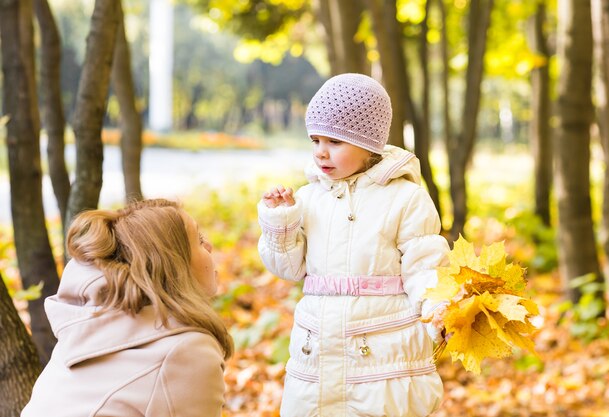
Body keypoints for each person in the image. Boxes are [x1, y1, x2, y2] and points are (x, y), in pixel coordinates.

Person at [258, 73, 450, 417]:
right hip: (317, 353)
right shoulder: (309, 198)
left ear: (369, 145)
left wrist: (437, 307)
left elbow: (425, 263)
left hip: (382, 356)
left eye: (334, 142)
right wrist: (282, 223)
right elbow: (288, 268)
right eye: (315, 140)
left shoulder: (405, 198)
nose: (321, 152)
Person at [21, 199, 233, 417]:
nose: (209, 246)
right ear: (173, 264)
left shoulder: (89, 329)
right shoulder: (187, 351)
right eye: (198, 240)